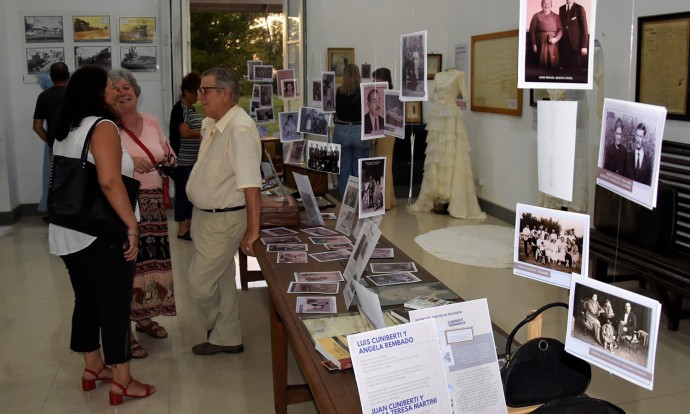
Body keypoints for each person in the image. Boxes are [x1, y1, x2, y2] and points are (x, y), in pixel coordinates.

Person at [49, 66, 155, 405]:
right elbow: (109, 182)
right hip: (100, 231)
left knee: (86, 300)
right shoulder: (102, 125)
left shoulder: (67, 126)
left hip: (67, 230)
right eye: (109, 85)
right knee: (114, 306)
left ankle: (92, 367)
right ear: (96, 91)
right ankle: (122, 379)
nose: (115, 90)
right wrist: (131, 226)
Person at [186, 68, 262, 355]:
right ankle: (227, 337)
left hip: (224, 218)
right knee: (220, 279)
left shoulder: (239, 129)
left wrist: (253, 232)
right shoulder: (213, 124)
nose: (200, 96)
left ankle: (215, 324)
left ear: (226, 93)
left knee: (198, 284)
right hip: (206, 215)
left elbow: (251, 186)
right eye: (200, 91)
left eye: (206, 91)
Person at [110, 68, 177, 359]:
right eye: (116, 89)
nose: (123, 93)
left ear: (136, 92)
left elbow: (167, 151)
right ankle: (124, 328)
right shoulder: (108, 127)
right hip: (125, 204)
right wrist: (128, 161)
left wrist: (167, 157)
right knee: (127, 266)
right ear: (108, 97)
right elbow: (103, 165)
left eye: (127, 88)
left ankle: (144, 317)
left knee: (152, 263)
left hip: (153, 205)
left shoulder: (150, 121)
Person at [408, 69, 486, 219]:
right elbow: (464, 97)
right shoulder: (440, 75)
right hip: (441, 117)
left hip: (448, 117)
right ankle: (439, 195)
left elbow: (463, 96)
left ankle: (449, 196)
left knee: (451, 154)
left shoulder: (459, 75)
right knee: (439, 156)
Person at [33, 62, 70, 219]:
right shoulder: (74, 95)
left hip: (55, 146)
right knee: (76, 179)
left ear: (51, 78)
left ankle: (55, 214)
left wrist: (50, 141)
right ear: (68, 76)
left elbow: (37, 126)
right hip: (76, 145)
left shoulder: (43, 96)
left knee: (55, 181)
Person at [169, 72, 202, 240]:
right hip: (182, 160)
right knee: (183, 193)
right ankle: (182, 228)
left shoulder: (191, 108)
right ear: (187, 92)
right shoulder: (180, 108)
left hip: (192, 160)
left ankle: (189, 226)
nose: (199, 95)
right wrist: (202, 134)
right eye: (197, 91)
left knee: (189, 193)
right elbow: (184, 132)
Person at [333, 64, 369, 200]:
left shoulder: (339, 91)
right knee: (360, 169)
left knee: (343, 170)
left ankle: (346, 204)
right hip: (360, 130)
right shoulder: (364, 91)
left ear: (345, 76)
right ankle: (360, 203)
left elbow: (338, 112)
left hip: (341, 130)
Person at [529, 0, 563, 71]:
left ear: (551, 5)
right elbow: (532, 31)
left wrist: (555, 39)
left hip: (552, 43)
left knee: (553, 64)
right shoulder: (536, 16)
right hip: (540, 43)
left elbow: (561, 30)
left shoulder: (556, 16)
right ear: (542, 5)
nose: (546, 6)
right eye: (545, 4)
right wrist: (534, 44)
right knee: (541, 64)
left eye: (548, 4)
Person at [559, 0, 588, 72]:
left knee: (576, 70)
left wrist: (584, 46)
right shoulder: (561, 9)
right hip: (564, 45)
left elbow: (584, 29)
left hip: (576, 46)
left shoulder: (579, 8)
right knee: (566, 70)